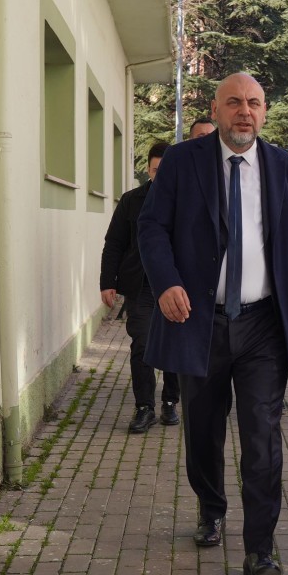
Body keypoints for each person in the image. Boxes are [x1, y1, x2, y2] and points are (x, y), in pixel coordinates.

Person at [138, 72, 288, 575]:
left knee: (262, 437)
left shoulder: (284, 168)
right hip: (200, 320)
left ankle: (260, 547)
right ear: (215, 110)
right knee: (203, 429)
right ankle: (211, 508)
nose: (245, 112)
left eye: (255, 103)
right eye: (234, 102)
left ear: (265, 111)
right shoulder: (181, 161)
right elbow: (151, 227)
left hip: (262, 322)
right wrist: (167, 282)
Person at [100, 143, 181, 432]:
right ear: (148, 169)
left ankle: (170, 401)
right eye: (156, 170)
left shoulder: (186, 200)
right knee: (143, 345)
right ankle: (144, 406)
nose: (161, 175)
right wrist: (107, 282)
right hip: (141, 286)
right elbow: (115, 243)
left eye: (166, 170)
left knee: (174, 345)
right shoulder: (131, 200)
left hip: (176, 287)